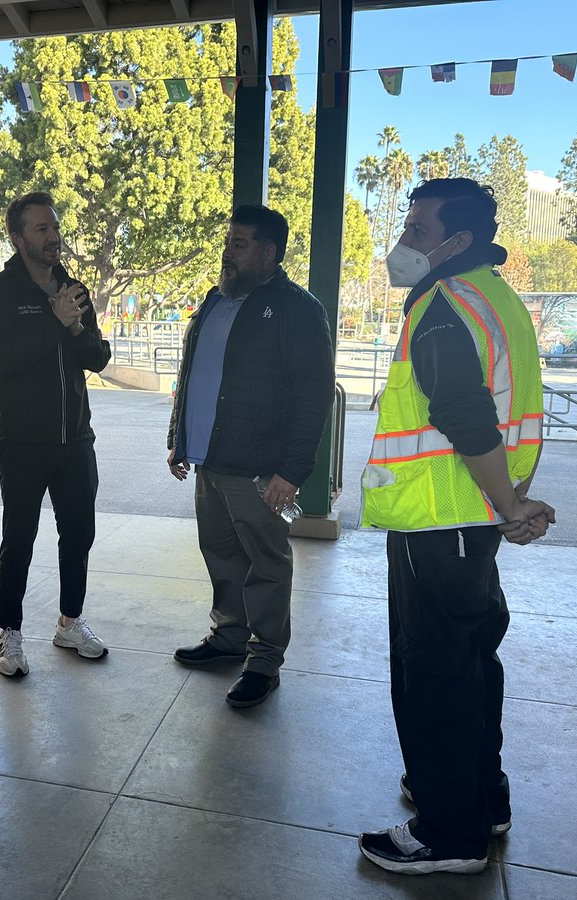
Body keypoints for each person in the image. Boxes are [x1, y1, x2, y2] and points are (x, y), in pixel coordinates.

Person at [357, 178, 556, 875]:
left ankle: (449, 832)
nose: (403, 240)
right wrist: (508, 503)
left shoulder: (443, 304)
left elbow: (466, 414)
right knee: (472, 666)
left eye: (418, 229)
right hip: (472, 522)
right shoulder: (497, 298)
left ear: (458, 240)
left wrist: (509, 505)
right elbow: (516, 407)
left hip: (439, 523)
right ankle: (480, 798)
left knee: (433, 676)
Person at [167, 204, 335, 708]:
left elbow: (314, 396)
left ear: (269, 252)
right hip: (209, 460)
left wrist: (291, 470)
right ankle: (229, 635)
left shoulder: (298, 309)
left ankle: (263, 659)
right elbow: (191, 373)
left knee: (266, 563)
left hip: (260, 470)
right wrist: (179, 436)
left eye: (239, 245)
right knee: (221, 555)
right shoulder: (215, 300)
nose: (228, 253)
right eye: (227, 243)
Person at [0, 192, 112, 678]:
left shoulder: (74, 290)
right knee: (19, 538)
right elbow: (4, 360)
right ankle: (9, 632)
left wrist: (74, 328)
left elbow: (97, 358)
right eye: (41, 229)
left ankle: (70, 622)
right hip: (22, 441)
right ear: (17, 238)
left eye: (54, 226)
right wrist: (55, 323)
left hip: (75, 439)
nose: (53, 236)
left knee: (79, 534)